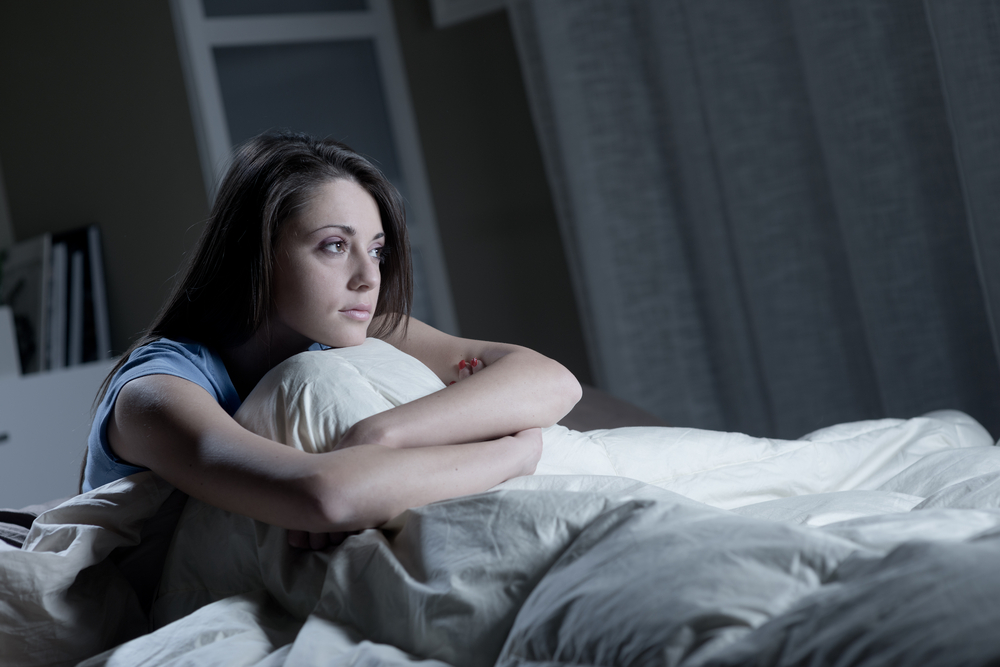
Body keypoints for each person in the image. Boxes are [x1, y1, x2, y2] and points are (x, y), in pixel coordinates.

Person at [83, 131, 581, 549]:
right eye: (335, 246)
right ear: (255, 254)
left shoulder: (364, 333)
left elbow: (554, 383)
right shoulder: (155, 394)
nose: (369, 277)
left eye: (377, 251)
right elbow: (325, 497)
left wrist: (380, 435)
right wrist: (514, 455)